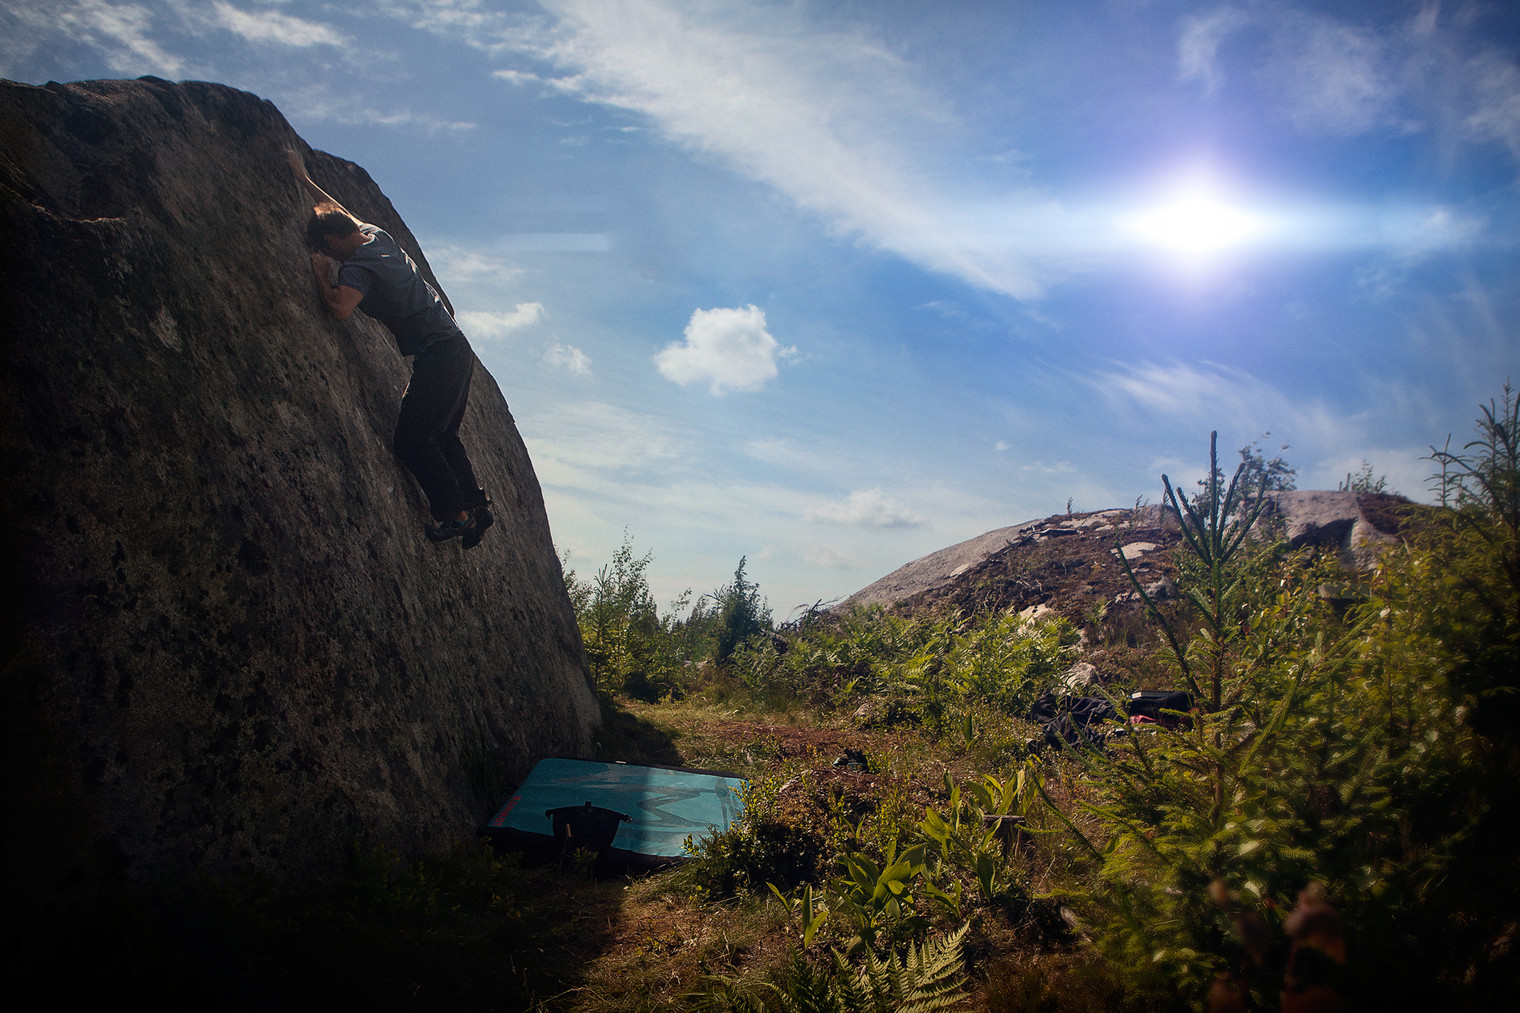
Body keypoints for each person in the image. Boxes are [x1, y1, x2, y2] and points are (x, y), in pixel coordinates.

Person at [288, 151, 492, 548]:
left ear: (332, 242)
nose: (332, 257)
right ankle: (478, 507)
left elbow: (340, 308)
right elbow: (339, 211)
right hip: (456, 347)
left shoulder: (357, 267)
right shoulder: (374, 234)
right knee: (442, 433)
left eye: (329, 250)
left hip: (439, 354)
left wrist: (322, 274)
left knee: (411, 441)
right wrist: (304, 177)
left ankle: (456, 515)